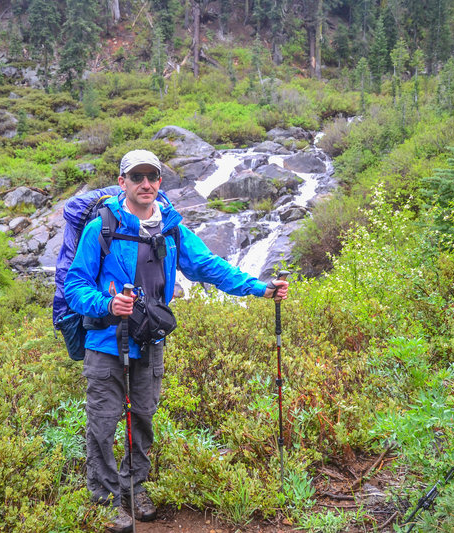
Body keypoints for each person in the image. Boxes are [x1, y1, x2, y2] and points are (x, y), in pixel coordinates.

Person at [64, 149, 289, 533]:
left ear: (160, 183)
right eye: (137, 177)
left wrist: (258, 288)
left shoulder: (171, 228)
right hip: (105, 341)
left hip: (150, 340)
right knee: (102, 423)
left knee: (143, 418)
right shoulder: (100, 227)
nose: (146, 184)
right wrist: (107, 302)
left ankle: (134, 489)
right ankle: (103, 502)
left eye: (152, 177)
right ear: (123, 183)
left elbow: (208, 267)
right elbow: (74, 285)